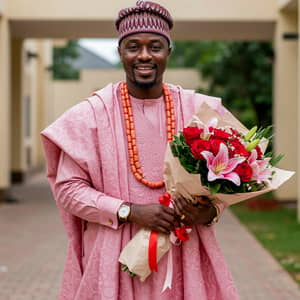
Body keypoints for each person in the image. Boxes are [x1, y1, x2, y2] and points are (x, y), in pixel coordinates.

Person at [41, 1, 240, 299]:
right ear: (120, 52)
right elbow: (68, 190)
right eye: (133, 46)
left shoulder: (200, 110)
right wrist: (129, 211)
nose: (144, 55)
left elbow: (230, 181)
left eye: (155, 46)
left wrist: (209, 211)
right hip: (114, 258)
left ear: (168, 51)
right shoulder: (92, 114)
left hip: (185, 255)